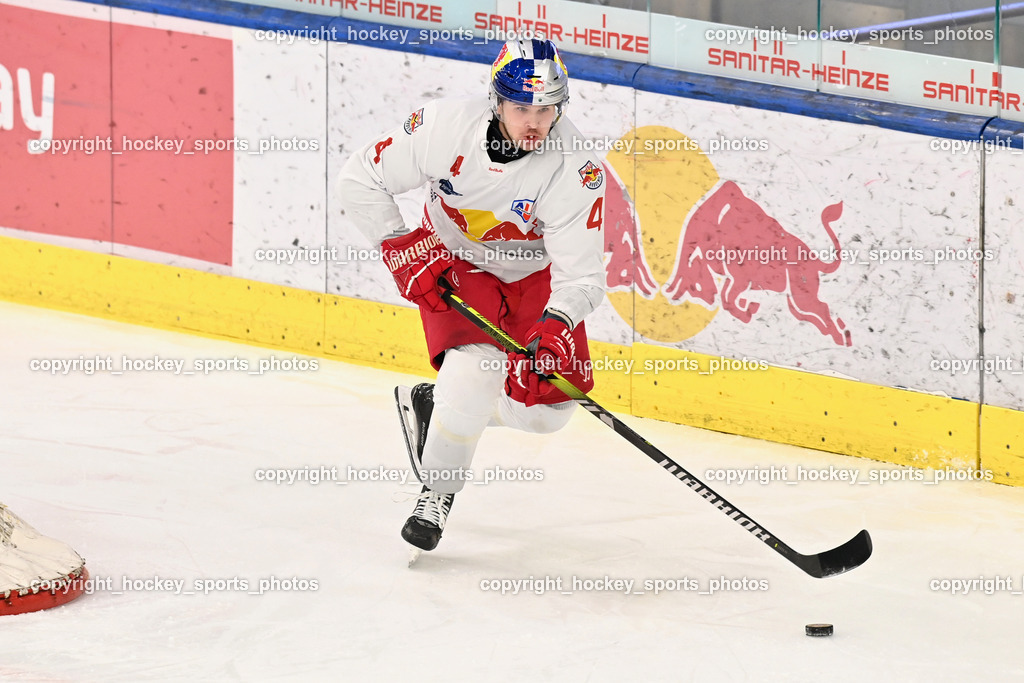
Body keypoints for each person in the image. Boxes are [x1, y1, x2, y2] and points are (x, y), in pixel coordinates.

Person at [336, 37, 606, 553]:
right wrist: (399, 245)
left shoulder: (577, 170)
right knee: (471, 372)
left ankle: (433, 409)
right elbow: (360, 177)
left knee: (547, 414)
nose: (534, 121)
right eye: (521, 106)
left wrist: (556, 324)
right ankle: (436, 492)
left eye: (546, 109)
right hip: (454, 260)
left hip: (534, 277)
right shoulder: (442, 127)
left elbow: (582, 279)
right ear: (496, 101)